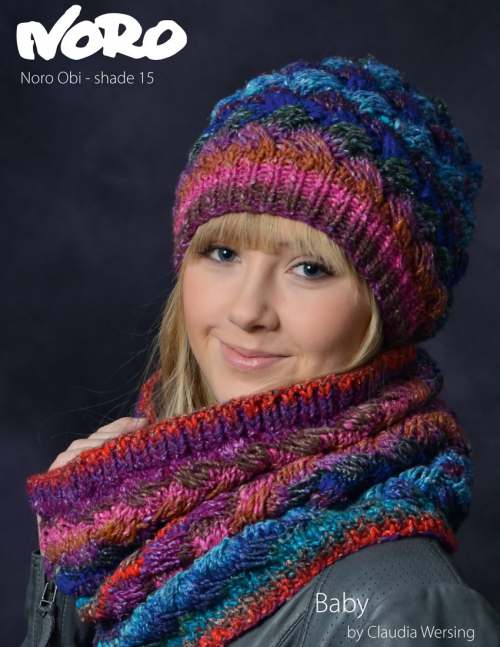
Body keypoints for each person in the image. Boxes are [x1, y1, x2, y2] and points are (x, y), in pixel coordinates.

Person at [21, 54, 500, 646]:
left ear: (389, 310)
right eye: (223, 254)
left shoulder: (401, 609)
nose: (248, 312)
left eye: (310, 268)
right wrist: (73, 554)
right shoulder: (114, 522)